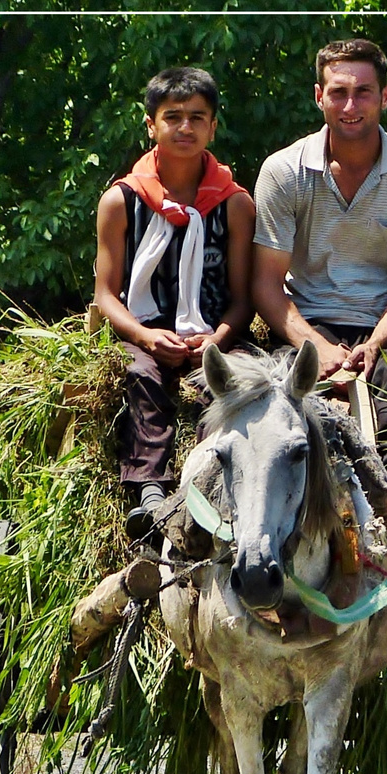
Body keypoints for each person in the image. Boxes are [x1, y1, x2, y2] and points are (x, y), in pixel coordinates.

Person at [251, 38, 387, 471]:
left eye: (362, 92)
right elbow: (266, 283)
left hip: (385, 329)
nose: (350, 104)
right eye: (338, 92)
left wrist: (375, 345)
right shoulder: (283, 171)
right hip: (305, 322)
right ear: (319, 97)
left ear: (385, 96)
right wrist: (316, 346)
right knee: (275, 411)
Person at [94, 66, 255, 535]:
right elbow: (106, 294)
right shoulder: (121, 201)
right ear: (151, 125)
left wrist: (217, 341)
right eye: (173, 117)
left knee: (234, 386)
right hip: (142, 329)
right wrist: (146, 335)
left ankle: (206, 488)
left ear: (213, 127)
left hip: (213, 334)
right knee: (142, 374)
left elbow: (243, 300)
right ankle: (149, 491)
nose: (185, 128)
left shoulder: (236, 205)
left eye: (197, 118)